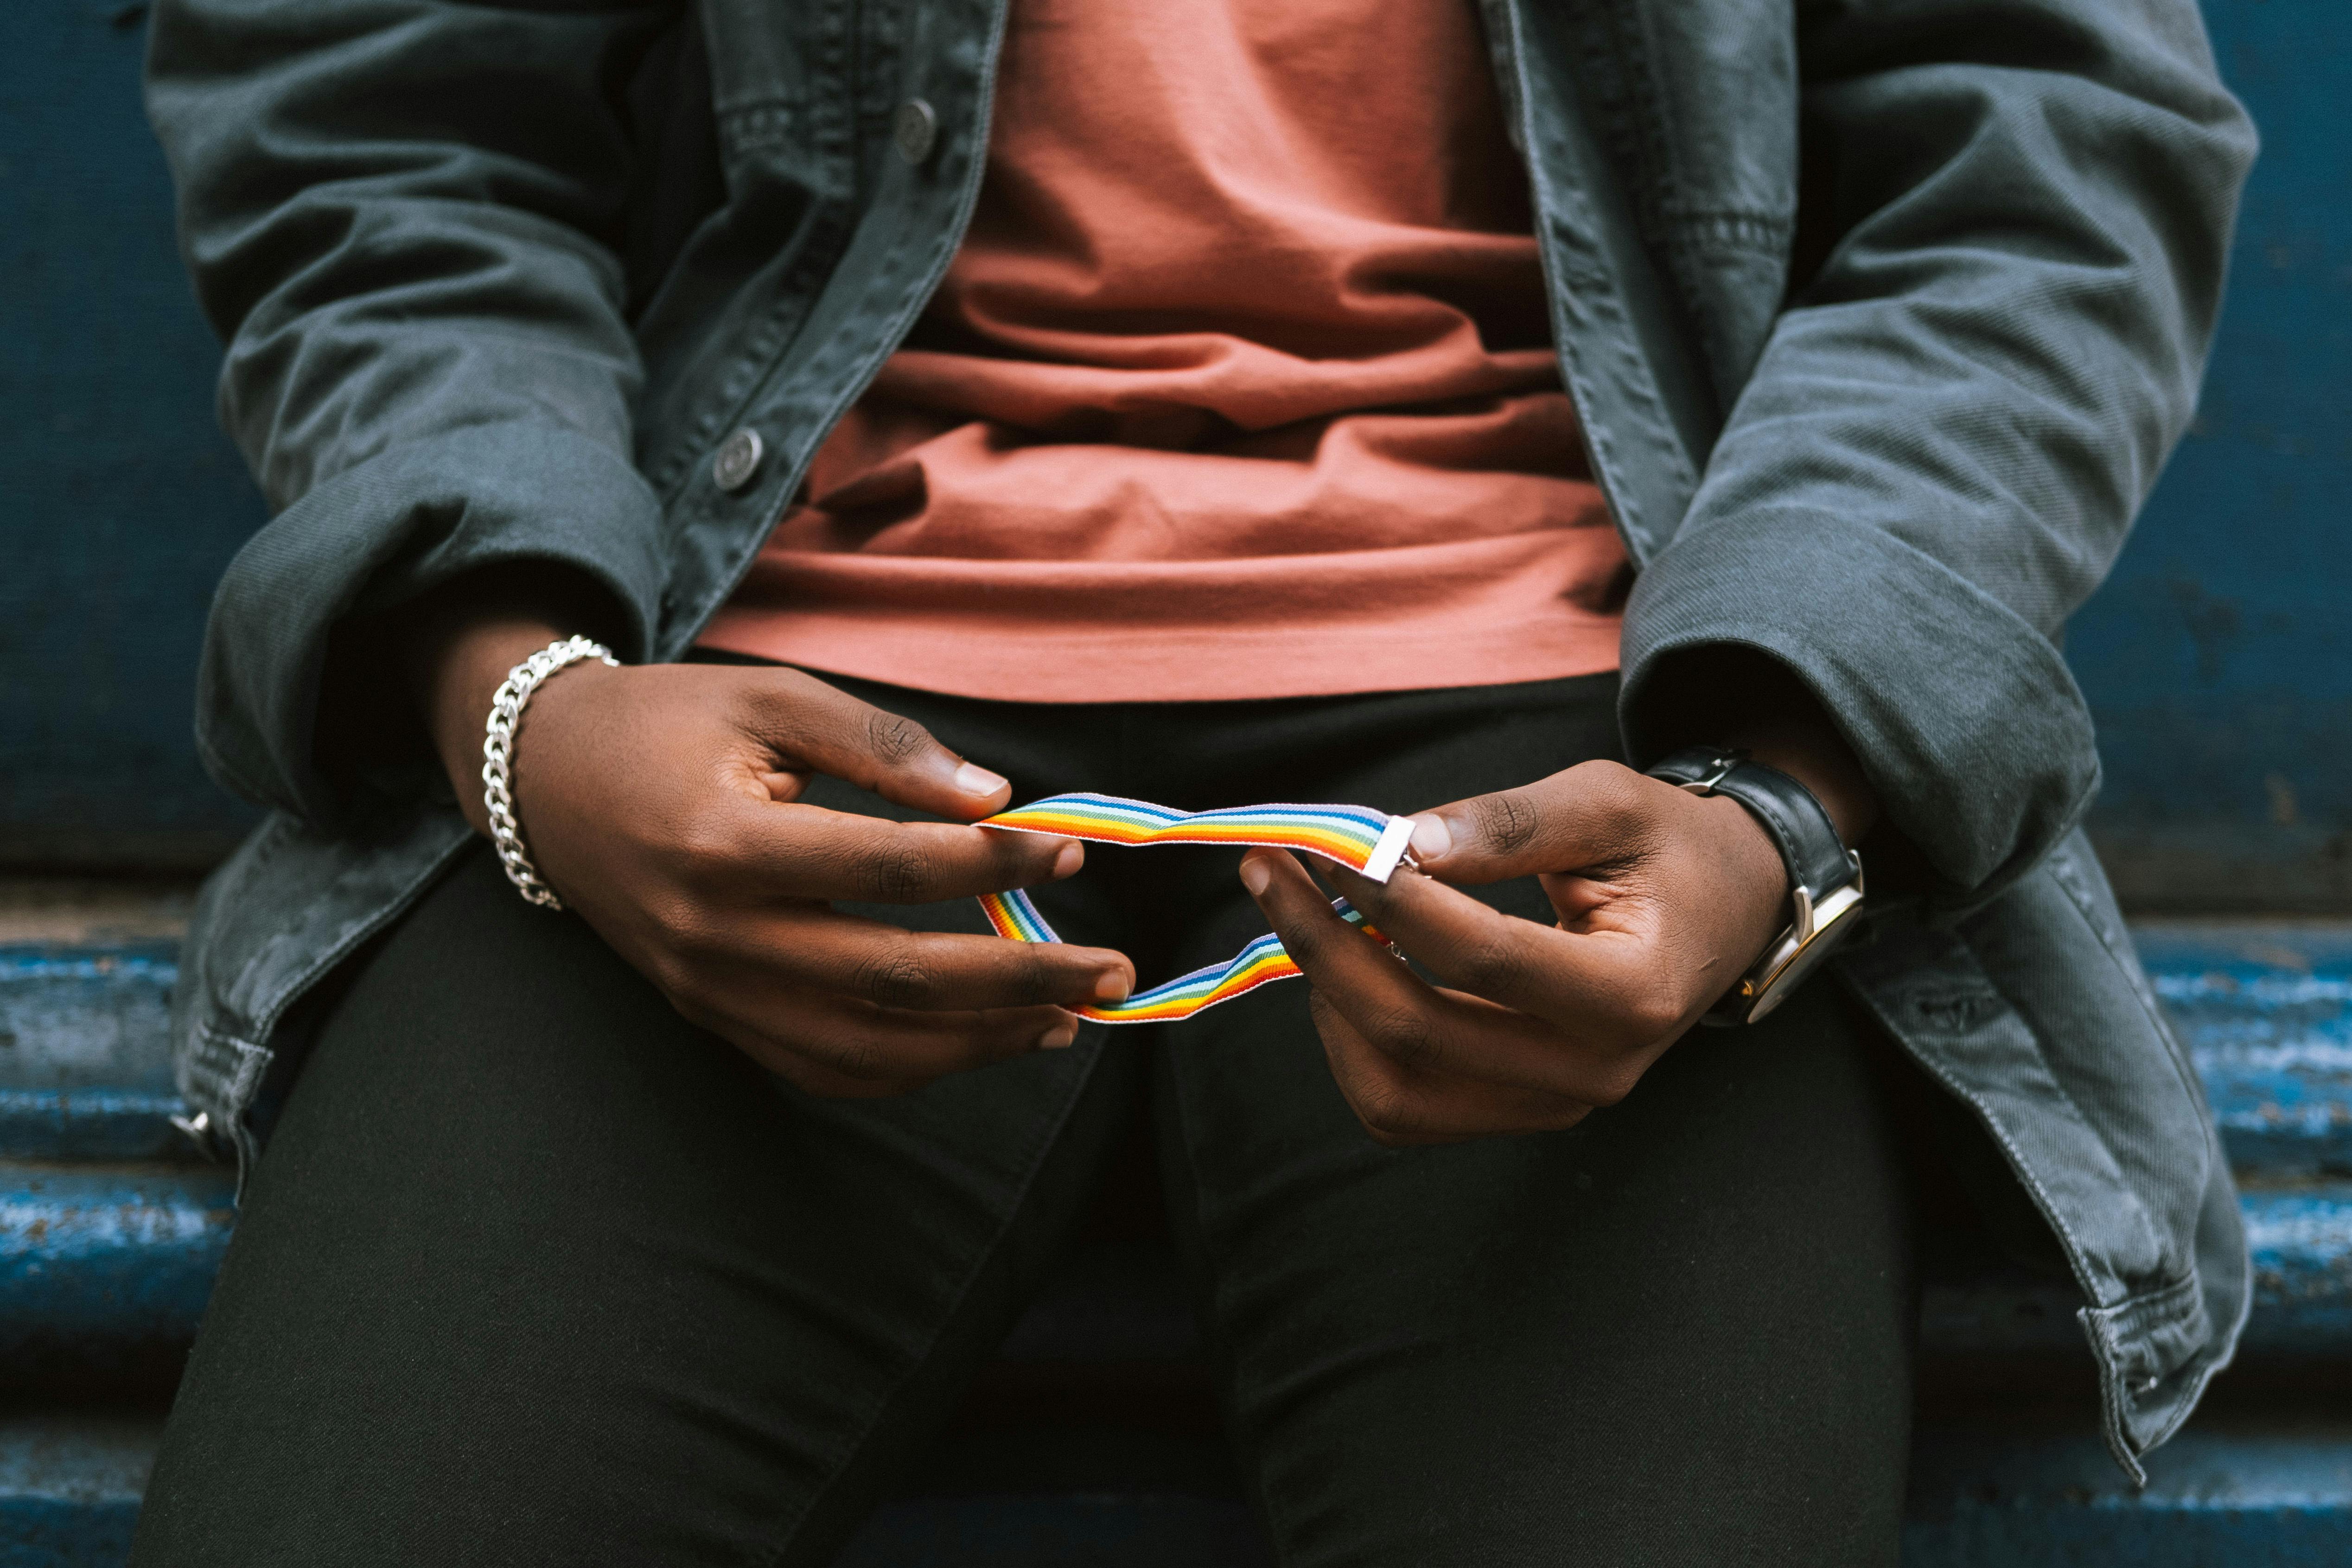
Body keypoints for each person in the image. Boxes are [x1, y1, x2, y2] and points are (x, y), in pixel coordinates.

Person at [134, 0, 2253, 1562]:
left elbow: (2039, 165)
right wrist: (528, 708)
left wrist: (1771, 800)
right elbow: (378, 136)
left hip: (1588, 739)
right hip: (760, 732)